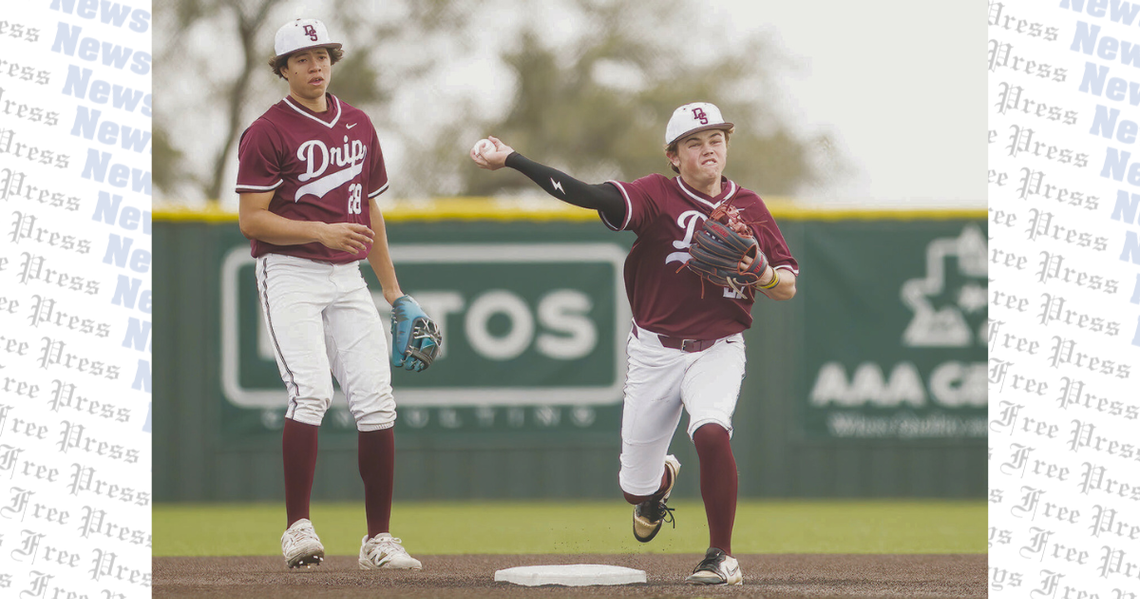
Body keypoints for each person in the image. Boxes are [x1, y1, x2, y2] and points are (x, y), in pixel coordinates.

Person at [471, 102, 799, 586]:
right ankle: (658, 485)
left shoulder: (749, 206)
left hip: (718, 347)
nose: (708, 148)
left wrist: (765, 273)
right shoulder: (655, 195)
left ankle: (720, 555)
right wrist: (514, 160)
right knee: (633, 489)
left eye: (716, 139)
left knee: (711, 431)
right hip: (654, 351)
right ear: (673, 155)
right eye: (694, 142)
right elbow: (584, 193)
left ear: (727, 145)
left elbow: (787, 285)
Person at [235, 18, 423, 571]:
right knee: (311, 391)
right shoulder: (267, 130)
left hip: (347, 277)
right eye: (301, 58)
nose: (315, 66)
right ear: (283, 69)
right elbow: (251, 219)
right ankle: (297, 528)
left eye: (322, 55)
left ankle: (378, 540)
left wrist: (394, 293)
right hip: (288, 271)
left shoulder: (359, 125)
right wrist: (320, 230)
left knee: (376, 400)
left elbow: (369, 212)